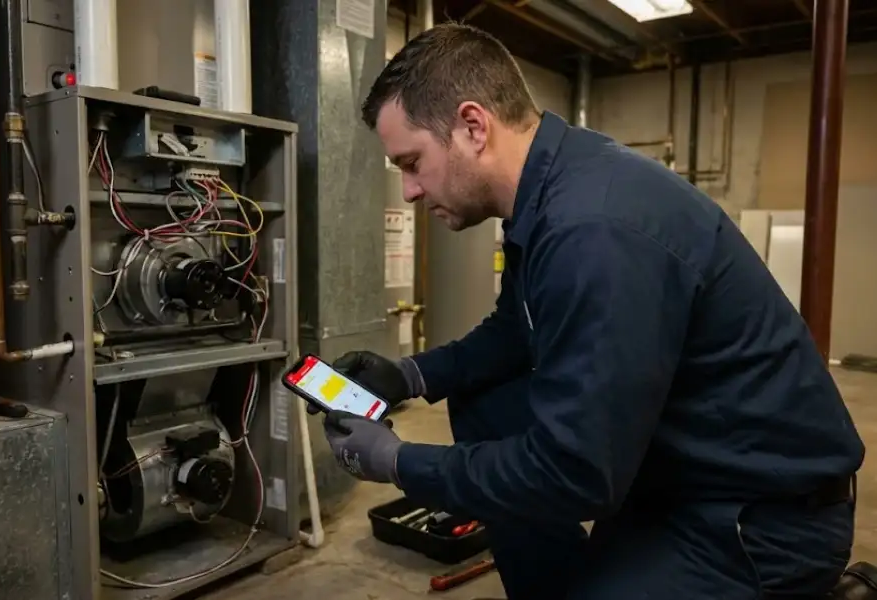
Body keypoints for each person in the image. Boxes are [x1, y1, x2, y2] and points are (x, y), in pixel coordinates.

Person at [315, 23, 865, 600]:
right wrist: (409, 375)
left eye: (411, 162)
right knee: (487, 395)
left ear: (473, 127)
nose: (407, 191)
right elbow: (515, 331)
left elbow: (574, 471)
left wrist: (401, 464)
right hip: (678, 474)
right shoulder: (551, 190)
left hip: (757, 520)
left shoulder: (592, 229)